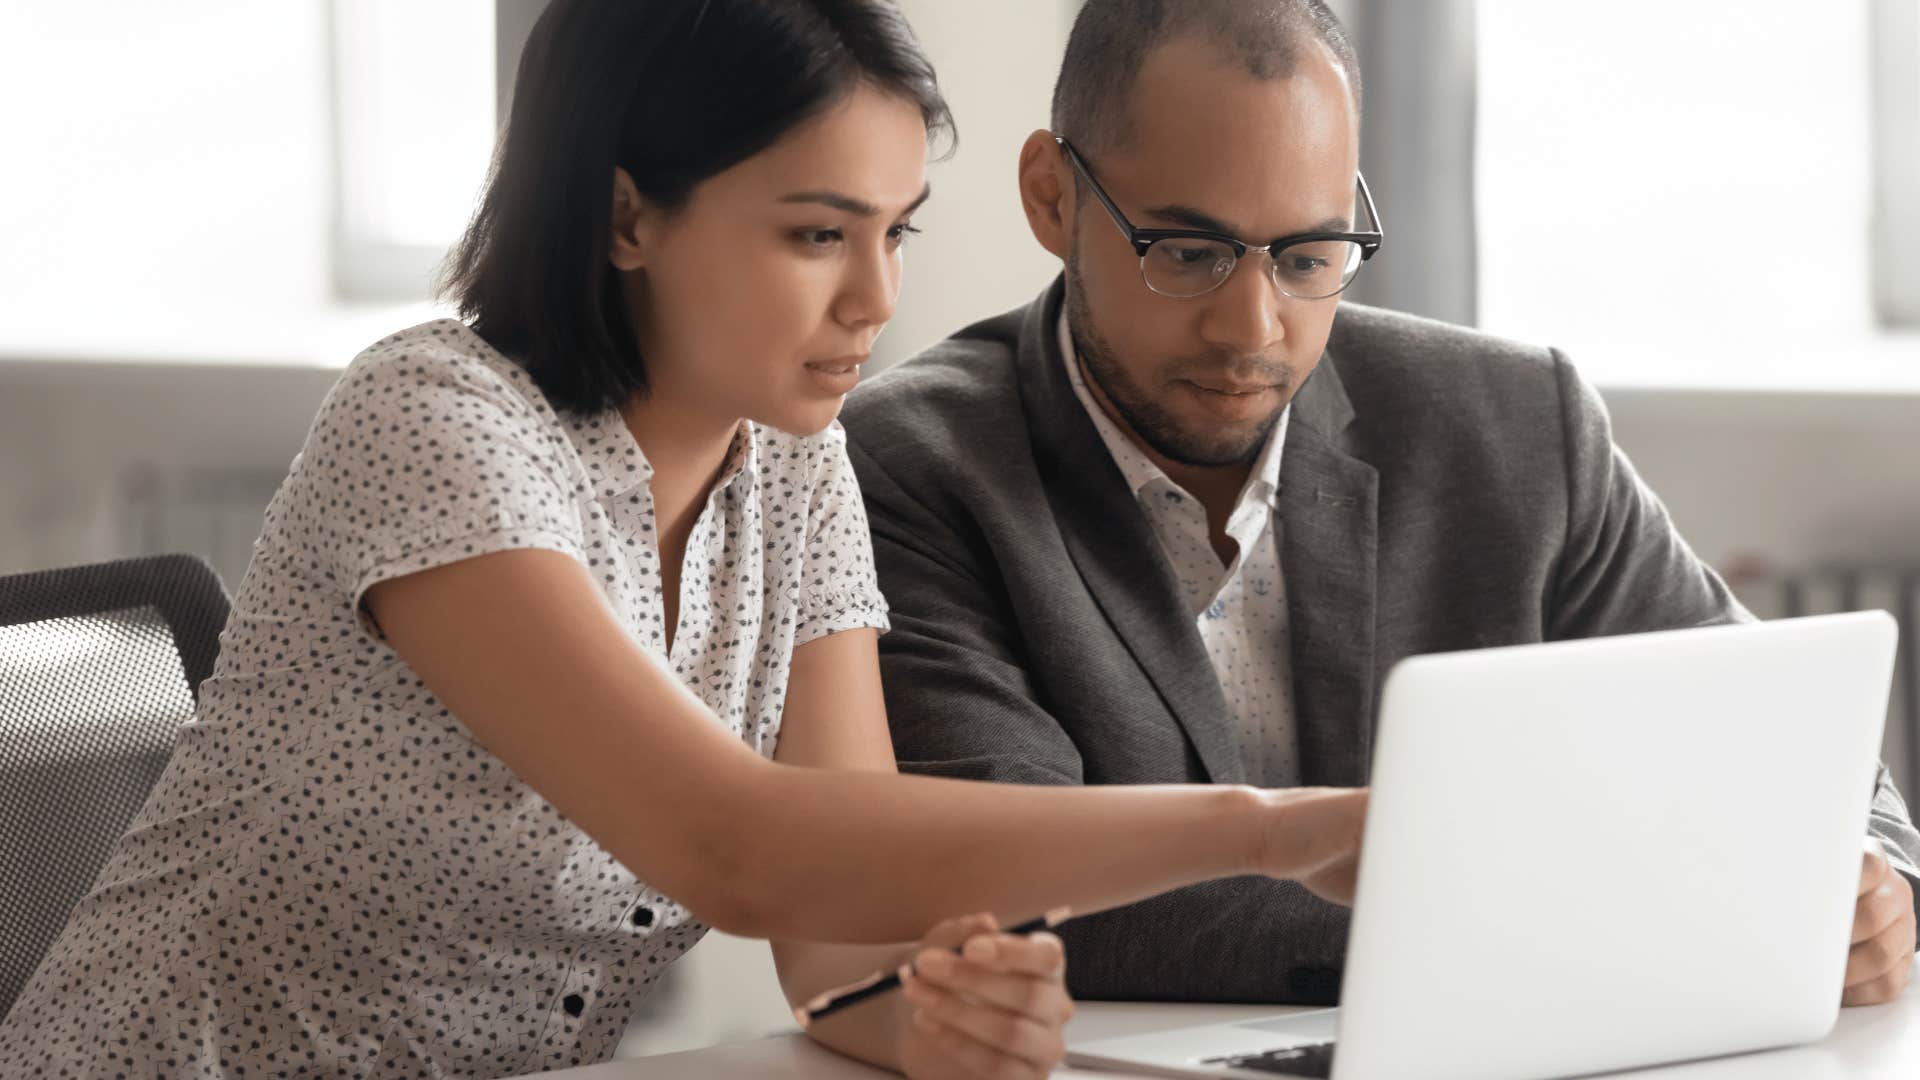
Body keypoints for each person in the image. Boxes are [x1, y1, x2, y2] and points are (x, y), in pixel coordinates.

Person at [0, 3, 1373, 1077]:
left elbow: (835, 933)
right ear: (624, 215)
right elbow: (736, 845)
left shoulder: (797, 463)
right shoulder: (432, 424)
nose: (876, 298)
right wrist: (1263, 831)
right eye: (817, 234)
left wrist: (924, 1022)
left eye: (896, 231)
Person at [841, 0, 1920, 1009]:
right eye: (1191, 253)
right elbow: (1012, 900)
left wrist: (1871, 880)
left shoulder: (1517, 422)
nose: (1253, 329)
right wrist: (1609, 908)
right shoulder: (912, 468)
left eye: (1310, 256)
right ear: (1052, 196)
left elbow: (1784, 750)